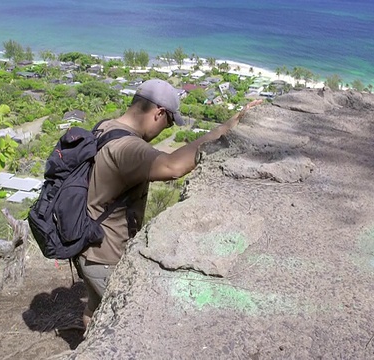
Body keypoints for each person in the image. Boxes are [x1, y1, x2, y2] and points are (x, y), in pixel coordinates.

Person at [76, 79, 262, 327]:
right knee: (131, 324)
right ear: (159, 113)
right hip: (107, 256)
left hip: (87, 249)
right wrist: (228, 127)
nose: (166, 129)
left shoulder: (105, 127)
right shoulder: (127, 148)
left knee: (94, 310)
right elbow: (173, 167)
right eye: (169, 122)